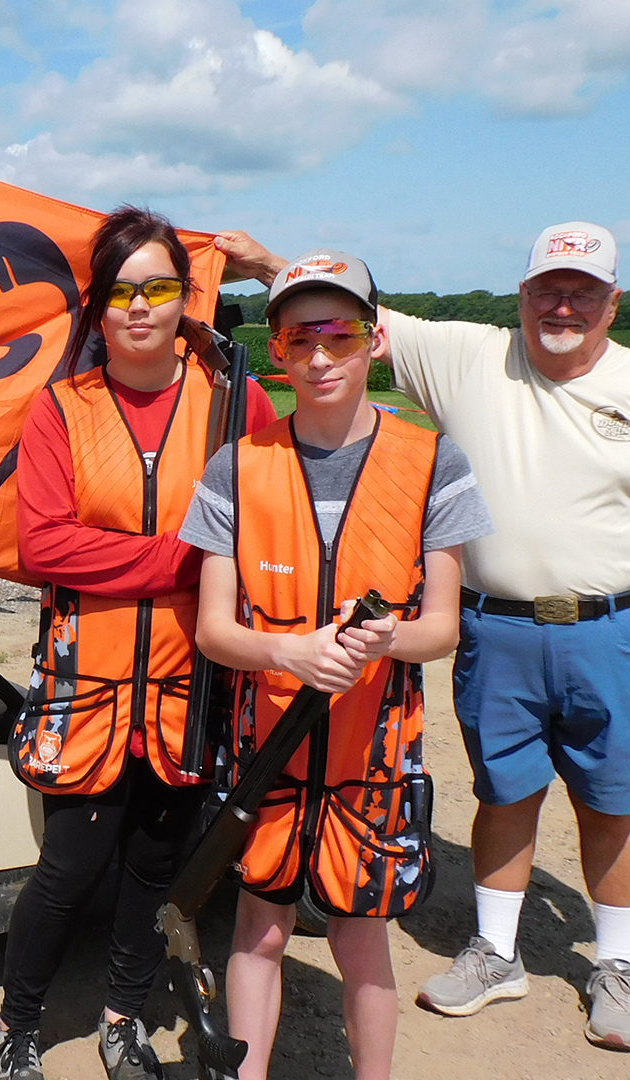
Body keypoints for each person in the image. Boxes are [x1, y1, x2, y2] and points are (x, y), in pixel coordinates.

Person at [218, 222, 630, 1051]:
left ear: (614, 300)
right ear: (522, 293)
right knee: (503, 793)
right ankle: (496, 952)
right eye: (546, 288)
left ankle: (616, 964)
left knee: (612, 803)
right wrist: (254, 261)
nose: (561, 305)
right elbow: (339, 318)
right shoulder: (470, 355)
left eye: (581, 291)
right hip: (496, 624)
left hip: (620, 623)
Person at [181, 251, 491, 1080]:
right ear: (276, 351)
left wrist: (381, 641)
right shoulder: (235, 467)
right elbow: (214, 630)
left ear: (374, 339)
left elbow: (442, 629)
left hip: (373, 758)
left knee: (362, 939)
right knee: (261, 932)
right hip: (267, 755)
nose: (321, 357)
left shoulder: (434, 462)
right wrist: (288, 649)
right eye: (298, 338)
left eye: (341, 334)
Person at [0, 206, 277, 1080]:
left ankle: (123, 1019)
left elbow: (275, 509)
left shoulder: (237, 403)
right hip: (91, 689)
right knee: (68, 869)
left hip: (194, 689)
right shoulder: (60, 410)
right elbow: (45, 544)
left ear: (184, 297)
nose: (141, 307)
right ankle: (18, 1026)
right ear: (99, 307)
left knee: (157, 871)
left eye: (159, 287)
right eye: (122, 291)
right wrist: (186, 561)